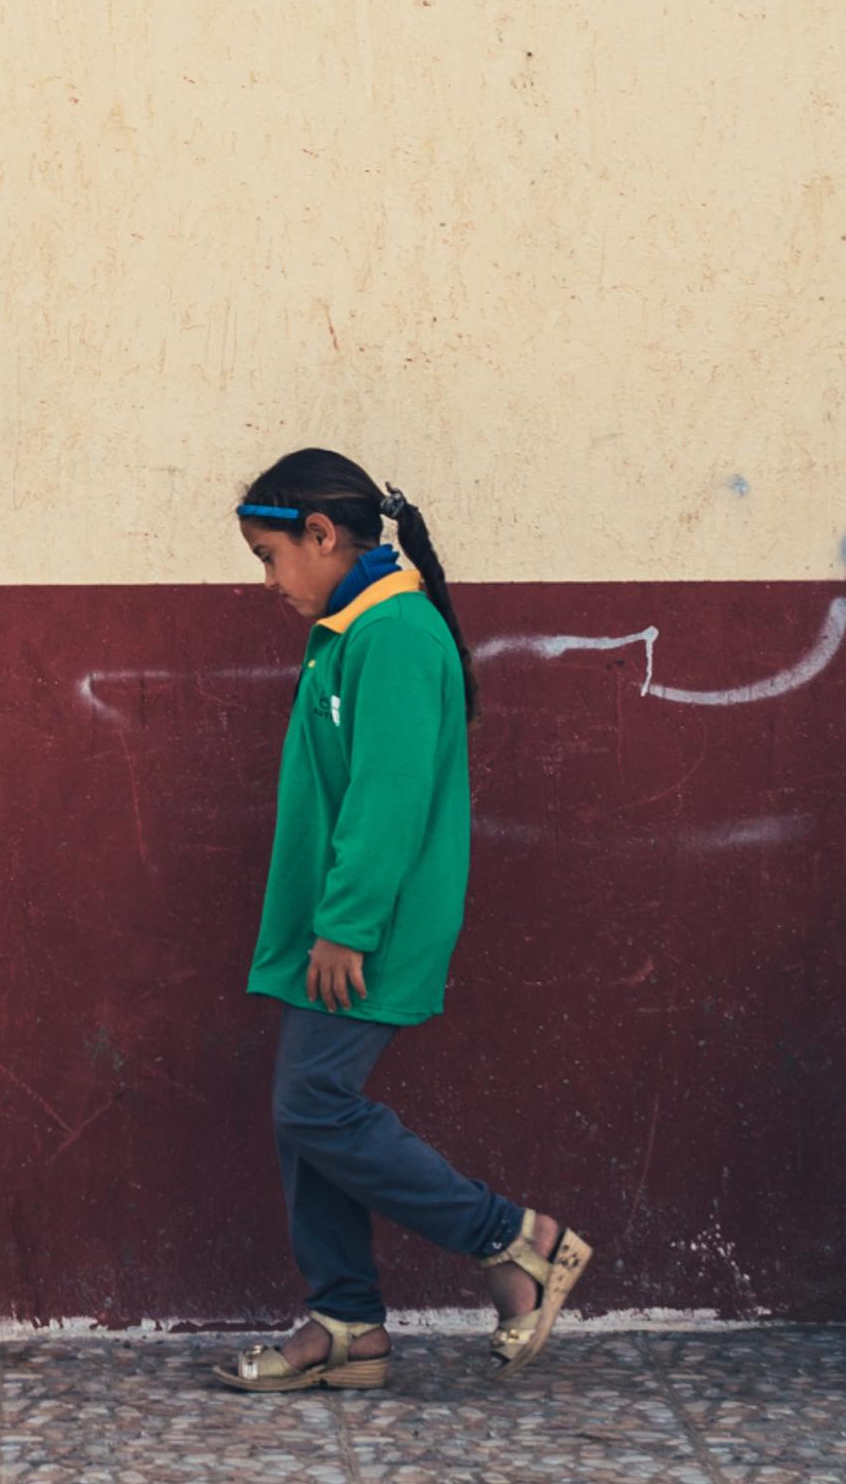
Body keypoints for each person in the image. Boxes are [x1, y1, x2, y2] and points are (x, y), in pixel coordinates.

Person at [210, 447, 590, 1394]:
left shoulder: (396, 634)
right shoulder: (351, 629)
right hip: (332, 920)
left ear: (322, 535)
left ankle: (516, 1239)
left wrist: (346, 923)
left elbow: (389, 794)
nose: (266, 581)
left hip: (366, 925)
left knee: (313, 1102)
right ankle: (347, 1322)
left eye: (268, 556)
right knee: (306, 1111)